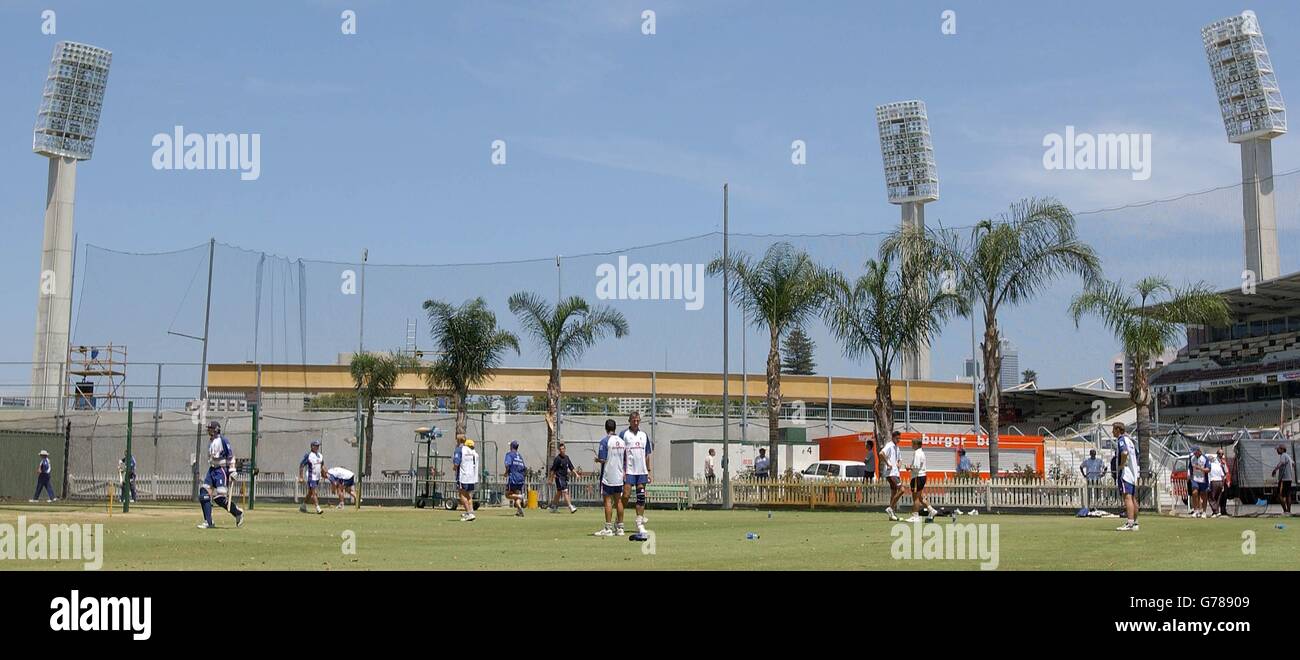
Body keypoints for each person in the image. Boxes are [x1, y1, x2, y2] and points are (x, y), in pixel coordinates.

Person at [198, 421, 244, 529]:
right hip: (212, 470)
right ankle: (208, 522)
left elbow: (231, 456)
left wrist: (232, 470)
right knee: (203, 493)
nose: (209, 431)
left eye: (211, 429)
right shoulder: (210, 442)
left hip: (221, 470)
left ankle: (237, 512)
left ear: (216, 430)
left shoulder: (223, 440)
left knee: (219, 498)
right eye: (208, 429)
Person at [593, 419, 627, 536]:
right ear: (615, 428)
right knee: (618, 501)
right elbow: (625, 459)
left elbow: (603, 459)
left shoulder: (604, 441)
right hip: (619, 476)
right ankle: (620, 528)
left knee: (607, 501)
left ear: (605, 428)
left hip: (608, 476)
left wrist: (597, 459)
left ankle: (608, 528)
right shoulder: (622, 442)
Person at [622, 411, 653, 535]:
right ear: (629, 421)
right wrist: (622, 470)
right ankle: (619, 519)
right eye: (634, 420)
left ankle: (639, 523)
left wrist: (648, 471)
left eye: (638, 420)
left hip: (641, 472)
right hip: (629, 471)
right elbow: (620, 453)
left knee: (641, 496)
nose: (636, 422)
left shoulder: (644, 435)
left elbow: (647, 455)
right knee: (626, 495)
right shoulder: (624, 434)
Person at [1114, 422, 1140, 532]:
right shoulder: (1130, 441)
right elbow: (1137, 455)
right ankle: (1134, 522)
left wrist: (1121, 465)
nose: (1112, 432)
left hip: (1126, 473)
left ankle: (1129, 523)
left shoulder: (1121, 440)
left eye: (1114, 430)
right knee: (1133, 498)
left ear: (1118, 430)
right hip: (1133, 473)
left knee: (1127, 497)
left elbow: (1124, 452)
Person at [906, 437, 937, 522]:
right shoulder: (922, 453)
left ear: (916, 444)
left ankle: (915, 516)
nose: (911, 445)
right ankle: (931, 510)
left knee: (915, 497)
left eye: (912, 443)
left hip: (917, 476)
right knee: (920, 497)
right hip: (922, 476)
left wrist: (909, 467)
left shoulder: (917, 453)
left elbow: (916, 467)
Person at [547, 442, 581, 513]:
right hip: (559, 478)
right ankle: (570, 507)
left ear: (565, 449)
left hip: (564, 478)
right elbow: (553, 470)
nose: (562, 450)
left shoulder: (567, 458)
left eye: (563, 449)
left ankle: (553, 507)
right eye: (560, 449)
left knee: (559, 493)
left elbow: (571, 467)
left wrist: (576, 474)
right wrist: (550, 479)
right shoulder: (557, 459)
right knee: (565, 491)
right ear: (559, 450)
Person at [298, 439, 327, 515]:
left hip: (317, 477)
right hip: (311, 476)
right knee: (314, 493)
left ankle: (303, 506)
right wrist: (301, 477)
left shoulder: (320, 455)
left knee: (310, 493)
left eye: (318, 446)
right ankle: (318, 508)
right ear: (312, 446)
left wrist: (324, 473)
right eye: (316, 446)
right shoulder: (309, 455)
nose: (317, 447)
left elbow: (322, 464)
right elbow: (301, 465)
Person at [455, 438, 480, 522]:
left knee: (462, 495)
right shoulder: (474, 453)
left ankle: (468, 513)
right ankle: (471, 512)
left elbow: (456, 463)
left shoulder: (461, 450)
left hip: (463, 476)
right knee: (468, 495)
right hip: (472, 477)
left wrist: (454, 468)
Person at [881, 430, 904, 521]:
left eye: (899, 438)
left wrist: (899, 463)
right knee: (902, 490)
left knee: (894, 492)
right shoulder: (889, 445)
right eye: (897, 438)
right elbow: (881, 453)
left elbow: (900, 459)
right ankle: (890, 508)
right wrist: (888, 463)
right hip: (891, 473)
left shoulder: (896, 447)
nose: (899, 440)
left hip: (895, 473)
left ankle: (892, 515)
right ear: (893, 438)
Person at [504, 440, 528, 517]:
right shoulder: (519, 456)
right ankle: (519, 511)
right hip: (521, 478)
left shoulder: (509, 454)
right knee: (516, 495)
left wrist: (506, 473)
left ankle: (521, 496)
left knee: (507, 494)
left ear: (511, 446)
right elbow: (524, 468)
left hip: (513, 477)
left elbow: (507, 464)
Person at [1270, 444, 1294, 515]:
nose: (1277, 450)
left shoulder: (1283, 455)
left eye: (1278, 449)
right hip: (1289, 478)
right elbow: (1293, 464)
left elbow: (1281, 462)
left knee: (1278, 495)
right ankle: (1288, 511)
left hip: (1284, 479)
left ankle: (1286, 511)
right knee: (1288, 495)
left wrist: (1275, 470)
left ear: (1282, 449)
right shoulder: (1288, 456)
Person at [1188, 447, 1210, 518]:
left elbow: (1208, 469)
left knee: (1204, 495)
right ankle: (1196, 511)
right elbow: (1190, 468)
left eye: (1195, 451)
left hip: (1203, 479)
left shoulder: (1205, 458)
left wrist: (1200, 468)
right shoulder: (1191, 458)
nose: (1194, 453)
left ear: (1198, 451)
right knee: (1194, 492)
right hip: (1195, 479)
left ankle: (1204, 512)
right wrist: (1189, 476)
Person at [1207, 451, 1226, 518]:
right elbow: (1223, 476)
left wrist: (1208, 485)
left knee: (1211, 497)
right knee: (1217, 498)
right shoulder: (1218, 466)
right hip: (1220, 482)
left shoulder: (1209, 466)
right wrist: (1223, 485)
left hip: (1213, 481)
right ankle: (1216, 512)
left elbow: (1209, 476)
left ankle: (1216, 511)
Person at [1217, 448, 1232, 516]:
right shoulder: (1215, 461)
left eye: (1222, 454)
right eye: (1220, 454)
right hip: (1218, 480)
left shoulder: (1224, 461)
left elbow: (1227, 472)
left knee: (1224, 496)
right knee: (1219, 496)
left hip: (1224, 481)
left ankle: (1224, 510)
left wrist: (1228, 481)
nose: (1221, 455)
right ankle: (1218, 511)